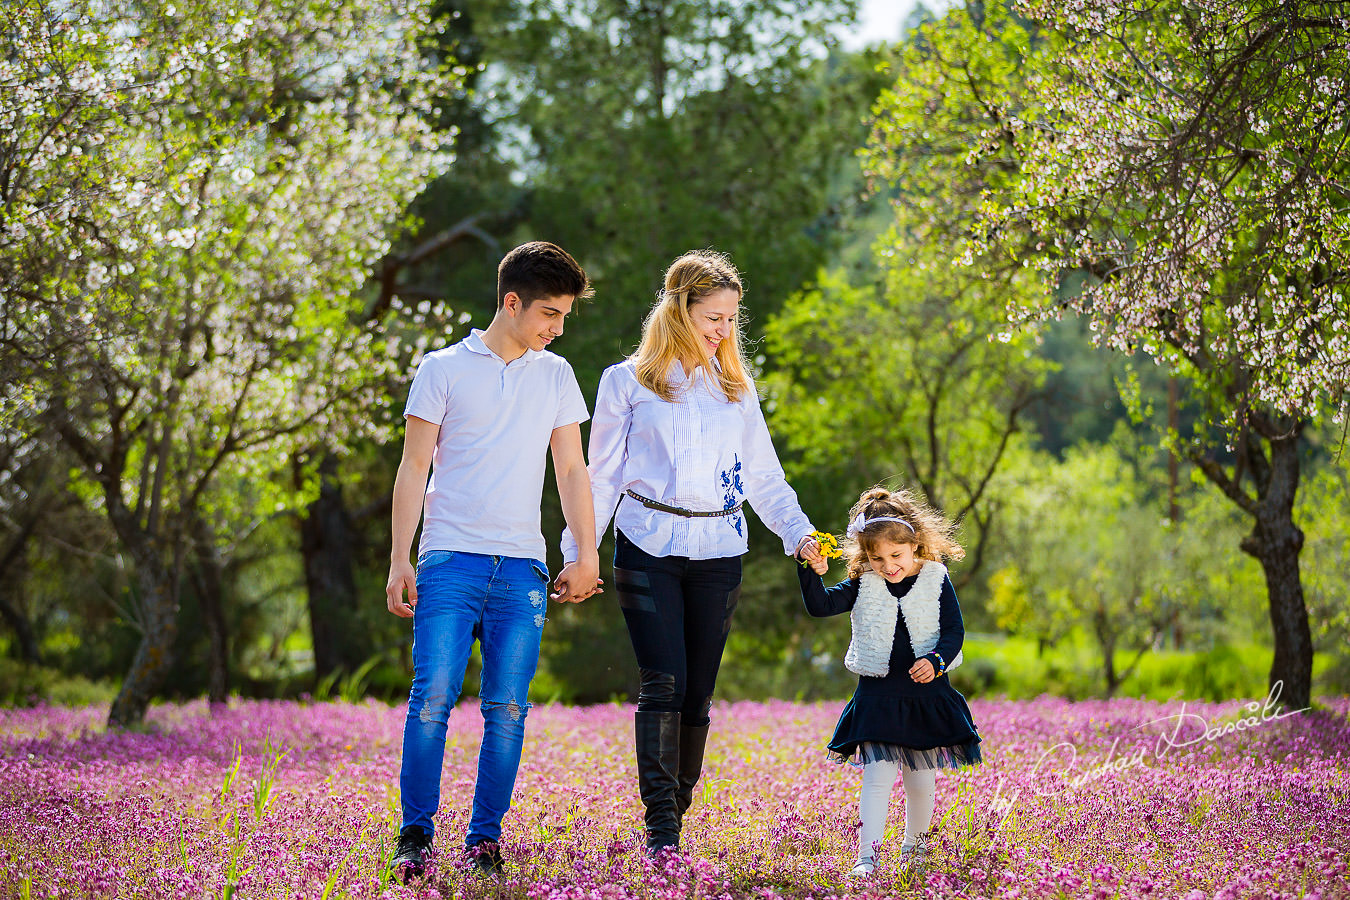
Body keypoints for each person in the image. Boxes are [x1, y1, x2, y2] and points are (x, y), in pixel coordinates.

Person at [562, 248, 824, 855]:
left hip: (720, 549)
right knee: (664, 682)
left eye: (731, 318)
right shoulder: (625, 382)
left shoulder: (736, 388)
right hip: (647, 544)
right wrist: (580, 552)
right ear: (679, 312)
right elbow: (599, 476)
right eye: (713, 317)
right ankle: (662, 832)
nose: (724, 330)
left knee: (699, 690)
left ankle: (673, 809)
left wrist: (800, 533)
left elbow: (763, 477)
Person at [385, 241, 603, 880]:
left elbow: (571, 468)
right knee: (432, 701)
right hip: (449, 561)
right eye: (548, 314)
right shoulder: (443, 369)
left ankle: (484, 841)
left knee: (508, 710)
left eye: (564, 316)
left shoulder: (556, 375)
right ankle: (415, 838)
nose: (557, 329)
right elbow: (413, 466)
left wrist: (586, 552)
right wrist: (401, 558)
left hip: (521, 569)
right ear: (511, 303)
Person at [797, 486, 981, 877]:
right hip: (878, 696)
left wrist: (937, 661)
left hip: (925, 695)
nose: (888, 565)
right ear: (866, 557)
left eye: (895, 556)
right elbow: (820, 605)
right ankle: (867, 858)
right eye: (877, 558)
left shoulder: (936, 578)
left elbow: (954, 632)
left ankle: (915, 851)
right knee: (877, 779)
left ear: (914, 544)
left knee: (920, 782)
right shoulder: (864, 582)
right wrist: (810, 572)